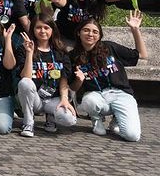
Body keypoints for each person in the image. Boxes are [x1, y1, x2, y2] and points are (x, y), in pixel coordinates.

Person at [71, 11, 147, 142]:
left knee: (132, 136)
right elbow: (72, 88)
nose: (90, 34)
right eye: (86, 30)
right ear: (79, 33)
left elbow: (142, 55)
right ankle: (96, 119)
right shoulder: (73, 56)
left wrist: (135, 30)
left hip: (121, 94)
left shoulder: (109, 47)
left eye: (95, 32)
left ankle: (116, 119)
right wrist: (79, 80)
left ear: (99, 35)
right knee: (88, 101)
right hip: (97, 95)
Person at [15, 10, 76, 138]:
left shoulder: (60, 52)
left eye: (46, 28)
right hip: (34, 98)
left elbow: (64, 79)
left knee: (69, 119)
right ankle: (28, 122)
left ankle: (51, 116)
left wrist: (64, 99)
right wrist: (29, 53)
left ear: (52, 30)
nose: (42, 31)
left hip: (53, 98)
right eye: (38, 28)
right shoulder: (23, 49)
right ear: (33, 30)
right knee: (25, 83)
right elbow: (25, 77)